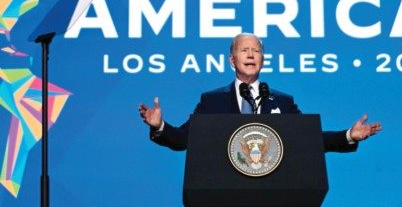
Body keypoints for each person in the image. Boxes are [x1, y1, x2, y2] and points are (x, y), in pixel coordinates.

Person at [139, 33, 382, 152]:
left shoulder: (283, 102)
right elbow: (183, 140)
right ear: (232, 60)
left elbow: (307, 140)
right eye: (244, 50)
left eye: (256, 51)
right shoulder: (212, 101)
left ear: (262, 60)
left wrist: (348, 135)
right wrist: (159, 126)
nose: (251, 55)